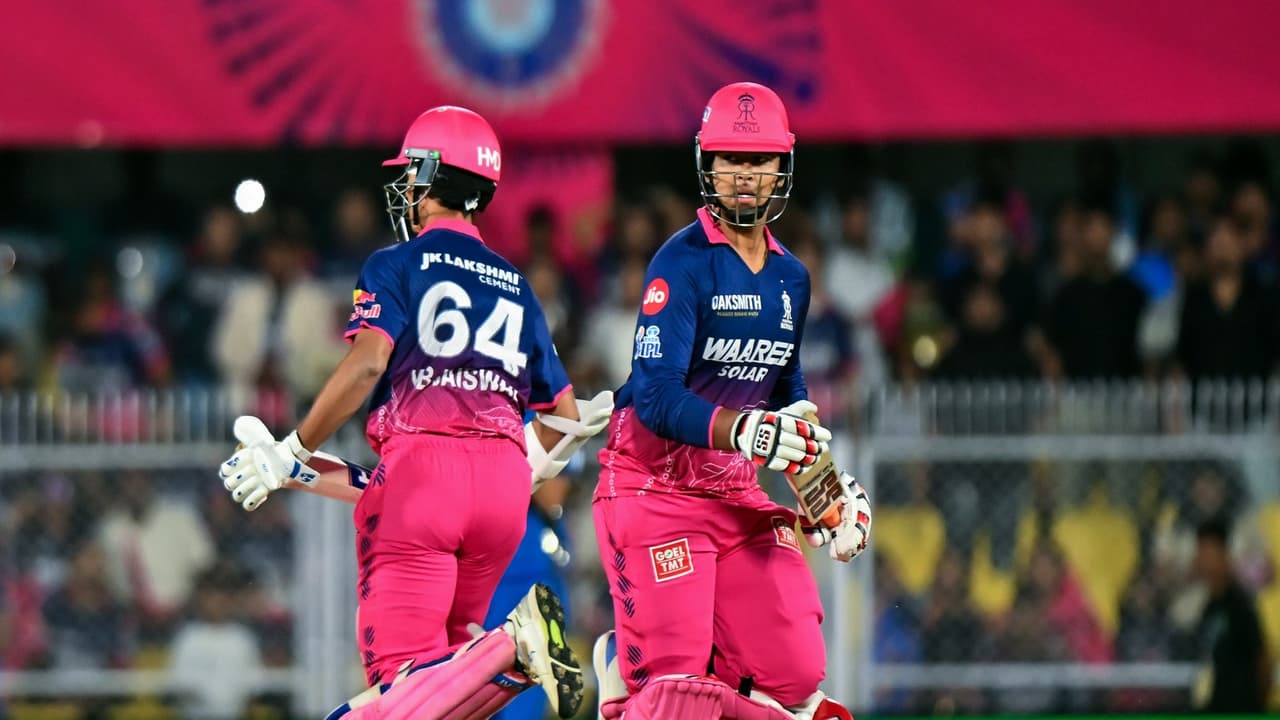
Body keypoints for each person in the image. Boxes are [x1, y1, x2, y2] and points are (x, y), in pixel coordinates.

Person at [217, 106, 614, 719]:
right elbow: (563, 415)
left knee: (399, 689)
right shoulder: (516, 283)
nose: (404, 188)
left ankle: (510, 651)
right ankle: (502, 660)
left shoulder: (394, 264)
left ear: (430, 178)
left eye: (410, 175)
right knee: (442, 688)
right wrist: (292, 470)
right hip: (503, 495)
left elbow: (368, 366)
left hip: (422, 485)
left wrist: (294, 446)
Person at [589, 82, 872, 720]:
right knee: (674, 691)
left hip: (735, 494)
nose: (745, 175)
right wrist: (744, 431)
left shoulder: (791, 278)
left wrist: (826, 493)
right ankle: (640, 674)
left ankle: (670, 674)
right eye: (731, 159)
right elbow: (655, 397)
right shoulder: (680, 263)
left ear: (782, 167)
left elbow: (789, 398)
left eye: (760, 160)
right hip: (655, 491)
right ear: (707, 164)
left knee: (798, 678)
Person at [1193, 518, 1271, 713]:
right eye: (1201, 553)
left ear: (1224, 555)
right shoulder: (1209, 607)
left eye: (1209, 553)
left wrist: (1255, 707)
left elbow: (1262, 661)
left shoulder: (1239, 606)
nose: (1203, 561)